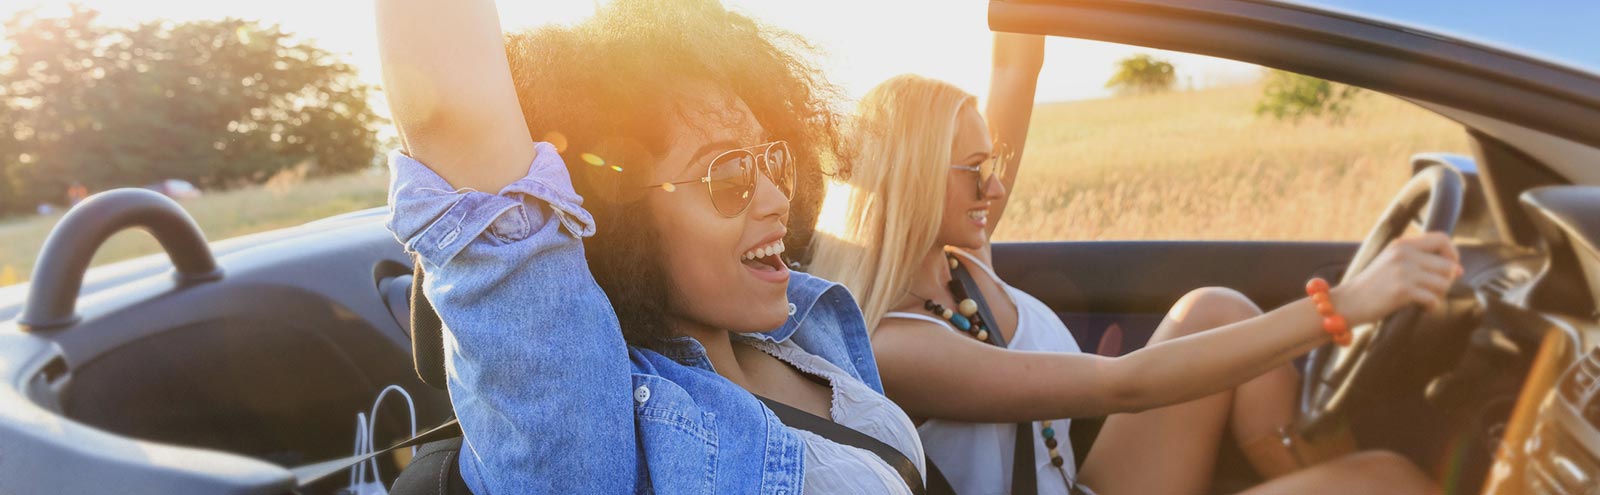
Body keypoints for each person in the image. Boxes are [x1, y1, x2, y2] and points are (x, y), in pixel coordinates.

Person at [807, 33, 1452, 494]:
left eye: (994, 167)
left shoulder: (958, 262)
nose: (996, 190)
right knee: (1385, 477)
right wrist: (1345, 305)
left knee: (1214, 310)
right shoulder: (896, 346)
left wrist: (1025, 31)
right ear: (915, 183)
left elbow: (1013, 70)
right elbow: (1127, 385)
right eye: (975, 173)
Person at [375, 0, 924, 493]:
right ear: (618, 215)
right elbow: (449, 113)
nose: (778, 198)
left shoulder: (803, 327)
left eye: (770, 159)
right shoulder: (597, 430)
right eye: (727, 174)